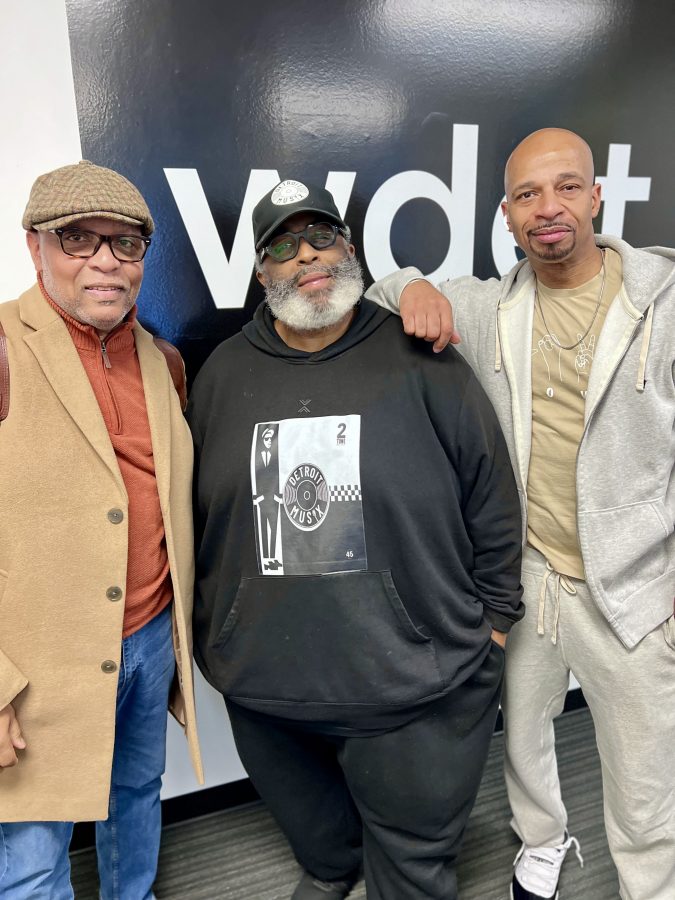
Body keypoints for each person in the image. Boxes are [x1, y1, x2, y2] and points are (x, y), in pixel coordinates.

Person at [187, 180, 524, 900]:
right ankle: (333, 868)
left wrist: (494, 626)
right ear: (259, 272)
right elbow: (196, 518)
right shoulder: (220, 374)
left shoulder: (423, 359)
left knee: (413, 867)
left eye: (321, 237)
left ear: (348, 248)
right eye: (282, 245)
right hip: (265, 685)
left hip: (408, 686)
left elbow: (491, 495)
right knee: (320, 842)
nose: (305, 255)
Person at [366, 127, 675, 900]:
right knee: (523, 742)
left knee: (644, 772)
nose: (548, 208)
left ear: (597, 196)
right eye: (527, 194)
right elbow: (376, 290)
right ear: (504, 214)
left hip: (636, 584)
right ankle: (540, 841)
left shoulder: (662, 307)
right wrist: (411, 285)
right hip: (524, 578)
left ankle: (651, 883)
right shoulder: (483, 308)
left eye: (566, 186)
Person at [0, 160, 203, 900]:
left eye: (125, 245)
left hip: (147, 641)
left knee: (135, 796)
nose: (105, 262)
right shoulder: (2, 346)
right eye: (79, 239)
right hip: (33, 660)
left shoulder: (163, 360)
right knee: (30, 857)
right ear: (35, 247)